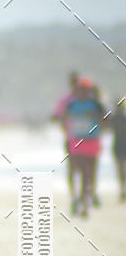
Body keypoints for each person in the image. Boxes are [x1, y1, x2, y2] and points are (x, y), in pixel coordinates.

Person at [63, 78, 105, 218]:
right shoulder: (71, 105)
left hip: (91, 142)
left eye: (85, 89)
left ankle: (84, 202)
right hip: (76, 142)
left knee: (89, 174)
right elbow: (63, 120)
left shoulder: (96, 104)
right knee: (76, 171)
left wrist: (96, 118)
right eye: (80, 89)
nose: (83, 92)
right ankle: (76, 198)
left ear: (89, 90)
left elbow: (107, 120)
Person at [52, 71, 79, 212]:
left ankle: (80, 195)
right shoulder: (66, 100)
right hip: (71, 139)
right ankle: (75, 196)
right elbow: (57, 116)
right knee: (73, 169)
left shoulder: (87, 99)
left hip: (85, 140)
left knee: (81, 170)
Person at [110, 98, 126, 202]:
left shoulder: (118, 118)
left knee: (121, 170)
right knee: (120, 170)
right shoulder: (114, 118)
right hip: (118, 145)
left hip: (119, 145)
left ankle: (122, 191)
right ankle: (122, 190)